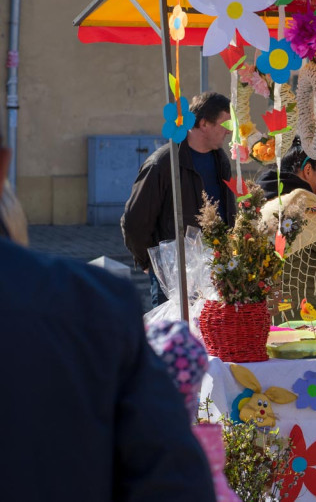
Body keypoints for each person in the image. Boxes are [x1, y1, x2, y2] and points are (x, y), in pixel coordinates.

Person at [0, 130, 217, 501]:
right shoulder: (94, 308)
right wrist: (146, 262)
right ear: (5, 163)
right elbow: (172, 481)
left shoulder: (216, 161)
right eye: (222, 126)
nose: (225, 133)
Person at [122, 92, 235, 307]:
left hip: (215, 270)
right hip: (174, 275)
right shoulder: (163, 163)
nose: (230, 131)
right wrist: (150, 263)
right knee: (176, 336)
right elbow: (134, 221)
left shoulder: (221, 161)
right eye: (225, 123)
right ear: (204, 124)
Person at [257, 140, 316, 323]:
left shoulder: (264, 200)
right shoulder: (300, 202)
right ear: (308, 170)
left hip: (274, 310)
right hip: (305, 316)